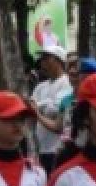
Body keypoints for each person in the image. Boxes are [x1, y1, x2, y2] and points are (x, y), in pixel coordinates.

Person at [30, 46, 72, 174]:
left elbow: (54, 110)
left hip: (56, 147)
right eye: (42, 58)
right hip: (40, 148)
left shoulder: (66, 83)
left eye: (47, 58)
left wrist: (38, 109)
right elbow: (32, 106)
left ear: (58, 61)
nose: (43, 62)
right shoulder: (40, 86)